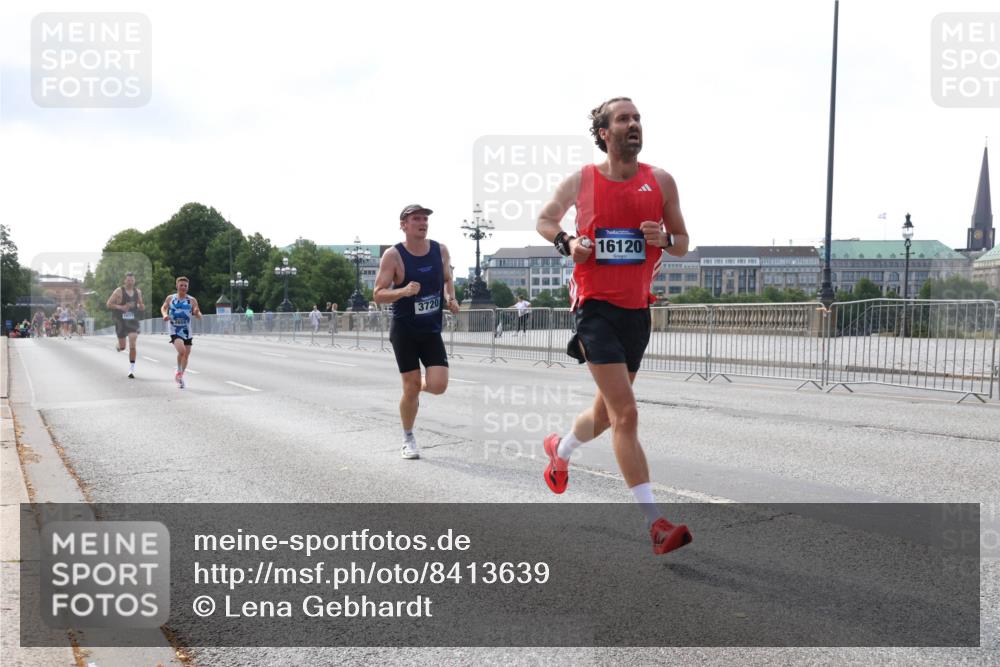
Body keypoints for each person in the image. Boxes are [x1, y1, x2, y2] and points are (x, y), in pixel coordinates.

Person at [536, 97, 693, 555]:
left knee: (606, 415)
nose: (634, 124)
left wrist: (665, 237)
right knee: (626, 414)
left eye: (637, 118)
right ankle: (655, 523)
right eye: (624, 119)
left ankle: (560, 451)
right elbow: (545, 219)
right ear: (604, 132)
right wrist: (569, 242)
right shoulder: (582, 180)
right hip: (595, 309)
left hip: (637, 313)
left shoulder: (660, 181)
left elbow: (683, 241)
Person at [373, 204, 461, 460]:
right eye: (416, 219)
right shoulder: (394, 255)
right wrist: (403, 291)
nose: (423, 223)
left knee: (438, 386)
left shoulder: (440, 250)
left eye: (425, 219)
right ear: (404, 225)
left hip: (431, 329)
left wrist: (451, 298)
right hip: (405, 330)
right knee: (410, 388)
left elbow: (448, 280)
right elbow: (378, 294)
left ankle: (415, 384)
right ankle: (408, 437)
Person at [160, 276, 202, 389]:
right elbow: (163, 308)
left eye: (185, 286)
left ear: (188, 287)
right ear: (177, 286)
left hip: (187, 331)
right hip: (174, 329)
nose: (183, 287)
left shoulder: (192, 300)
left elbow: (198, 314)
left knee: (186, 355)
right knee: (182, 351)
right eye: (181, 285)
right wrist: (165, 315)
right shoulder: (171, 298)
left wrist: (197, 313)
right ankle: (178, 371)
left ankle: (180, 375)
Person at [107, 272, 145, 378]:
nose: (130, 282)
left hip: (133, 321)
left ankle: (131, 369)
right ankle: (119, 346)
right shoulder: (119, 291)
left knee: (133, 342)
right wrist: (121, 307)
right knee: (123, 347)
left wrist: (141, 306)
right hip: (120, 321)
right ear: (125, 281)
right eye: (128, 280)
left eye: (132, 280)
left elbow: (141, 305)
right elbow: (109, 304)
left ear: (134, 281)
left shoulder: (138, 292)